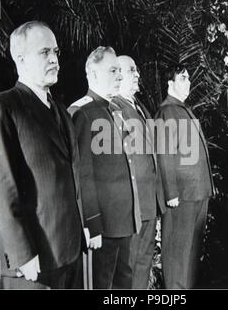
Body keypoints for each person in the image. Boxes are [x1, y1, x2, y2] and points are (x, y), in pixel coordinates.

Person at [0, 21, 100, 289]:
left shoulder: (61, 112)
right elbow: (0, 187)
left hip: (70, 252)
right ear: (20, 59)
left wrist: (84, 229)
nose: (54, 60)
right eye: (44, 52)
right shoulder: (1, 107)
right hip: (34, 262)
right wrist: (22, 254)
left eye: (56, 52)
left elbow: (73, 179)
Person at [68, 47, 140, 289]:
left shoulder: (114, 111)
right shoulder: (82, 113)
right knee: (102, 284)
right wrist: (92, 224)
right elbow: (83, 175)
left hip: (122, 220)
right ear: (93, 74)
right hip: (105, 225)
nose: (119, 76)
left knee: (123, 283)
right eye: (113, 71)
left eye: (120, 71)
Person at [155, 65, 215, 289]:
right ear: (169, 84)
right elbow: (165, 155)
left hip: (197, 193)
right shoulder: (166, 111)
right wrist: (170, 193)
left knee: (191, 254)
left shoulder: (181, 109)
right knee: (178, 254)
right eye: (182, 78)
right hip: (182, 196)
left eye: (189, 78)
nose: (188, 82)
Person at [111, 55, 166, 289]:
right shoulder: (114, 108)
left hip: (148, 201)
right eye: (131, 70)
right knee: (130, 264)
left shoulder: (138, 107)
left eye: (136, 70)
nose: (138, 75)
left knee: (144, 260)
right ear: (118, 75)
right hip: (132, 205)